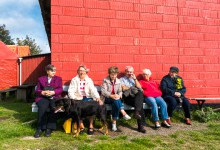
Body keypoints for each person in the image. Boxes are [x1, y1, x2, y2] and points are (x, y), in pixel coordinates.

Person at [68, 65, 103, 135]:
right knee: (78, 109)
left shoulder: (89, 80)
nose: (81, 72)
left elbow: (93, 90)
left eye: (83, 71)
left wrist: (98, 98)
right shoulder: (74, 80)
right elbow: (70, 91)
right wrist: (73, 98)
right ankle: (82, 126)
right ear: (77, 72)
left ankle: (91, 125)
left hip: (87, 97)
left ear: (86, 72)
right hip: (77, 98)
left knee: (91, 107)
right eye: (80, 70)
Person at [34, 64, 63, 138]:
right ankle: (40, 128)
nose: (54, 72)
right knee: (42, 107)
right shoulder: (41, 79)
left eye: (55, 71)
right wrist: (42, 92)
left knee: (54, 107)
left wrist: (54, 92)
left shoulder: (58, 79)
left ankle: (49, 128)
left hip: (54, 97)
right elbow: (37, 90)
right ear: (47, 71)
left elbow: (60, 89)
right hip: (43, 97)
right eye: (52, 71)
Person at [101, 66, 131, 131]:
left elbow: (120, 91)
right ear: (109, 74)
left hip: (115, 99)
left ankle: (114, 123)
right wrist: (111, 95)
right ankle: (123, 113)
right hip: (107, 98)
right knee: (116, 100)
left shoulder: (118, 81)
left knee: (116, 102)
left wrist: (119, 95)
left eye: (115, 75)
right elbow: (103, 91)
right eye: (112, 75)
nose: (114, 76)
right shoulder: (105, 80)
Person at [120, 66, 146, 133]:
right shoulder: (121, 79)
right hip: (127, 97)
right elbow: (123, 88)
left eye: (131, 72)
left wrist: (135, 79)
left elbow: (139, 87)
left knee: (140, 93)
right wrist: (132, 88)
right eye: (128, 72)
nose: (129, 73)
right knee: (140, 105)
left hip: (135, 97)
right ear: (125, 72)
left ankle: (137, 113)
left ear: (133, 72)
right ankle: (141, 126)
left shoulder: (133, 79)